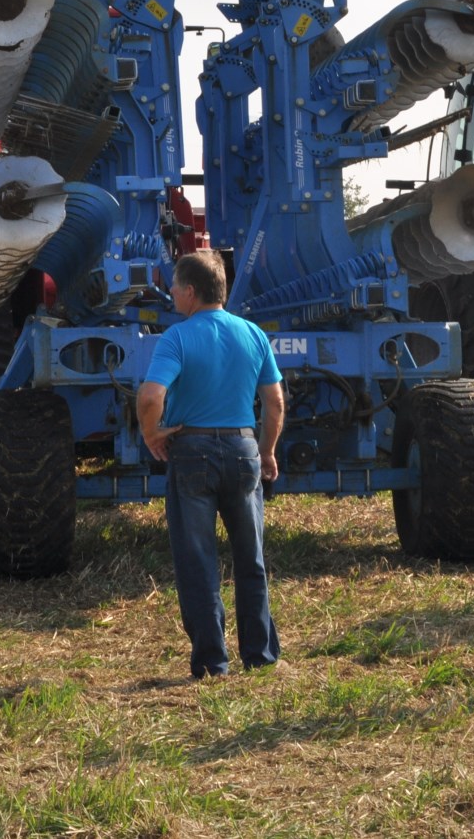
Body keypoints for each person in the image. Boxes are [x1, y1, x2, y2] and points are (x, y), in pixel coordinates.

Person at [136, 252, 285, 678]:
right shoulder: (253, 334)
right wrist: (267, 451)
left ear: (191, 292)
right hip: (243, 449)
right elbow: (274, 401)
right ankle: (259, 655)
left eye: (174, 286)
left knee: (198, 560)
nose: (170, 292)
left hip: (193, 451)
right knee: (250, 559)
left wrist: (151, 433)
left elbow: (151, 396)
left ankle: (211, 662)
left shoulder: (177, 338)